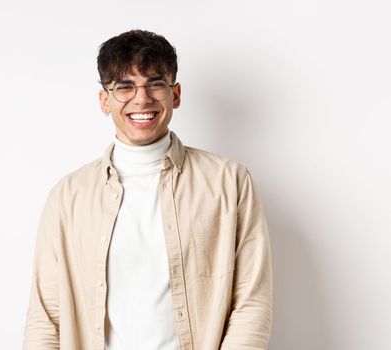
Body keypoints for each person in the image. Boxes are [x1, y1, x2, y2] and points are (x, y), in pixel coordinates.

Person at [22, 29, 273, 350]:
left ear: (176, 94)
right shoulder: (68, 195)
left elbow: (252, 301)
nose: (141, 98)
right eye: (124, 86)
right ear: (104, 100)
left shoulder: (229, 181)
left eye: (155, 84)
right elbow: (46, 314)